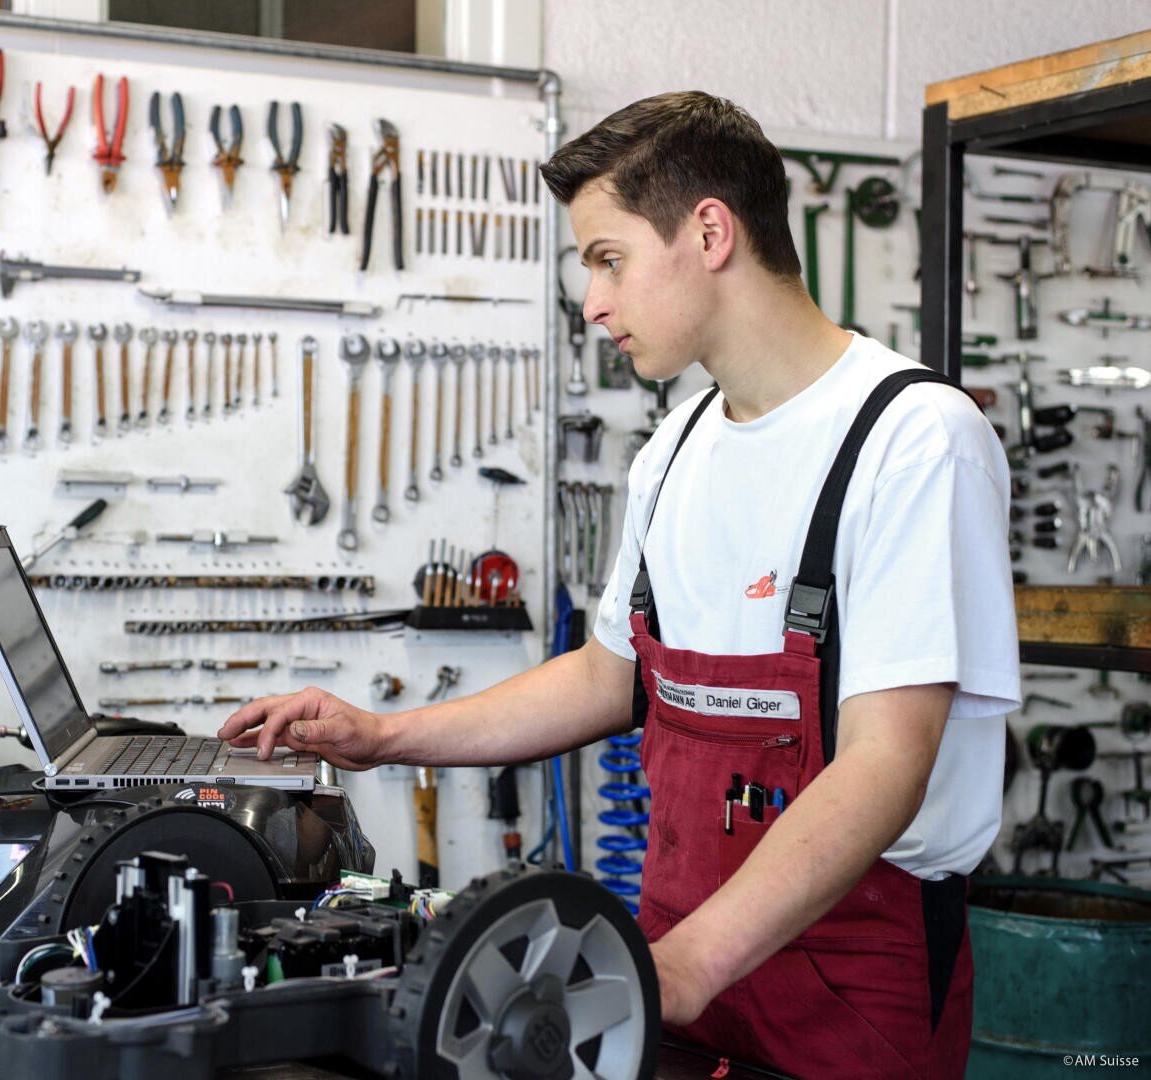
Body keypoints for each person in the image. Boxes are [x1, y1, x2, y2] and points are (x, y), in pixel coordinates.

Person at [219, 91, 1019, 1079]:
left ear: (710, 233)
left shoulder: (913, 441)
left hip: (843, 988)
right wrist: (383, 736)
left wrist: (688, 964)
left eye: (608, 259)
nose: (593, 302)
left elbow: (886, 762)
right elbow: (610, 679)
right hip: (672, 961)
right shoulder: (675, 447)